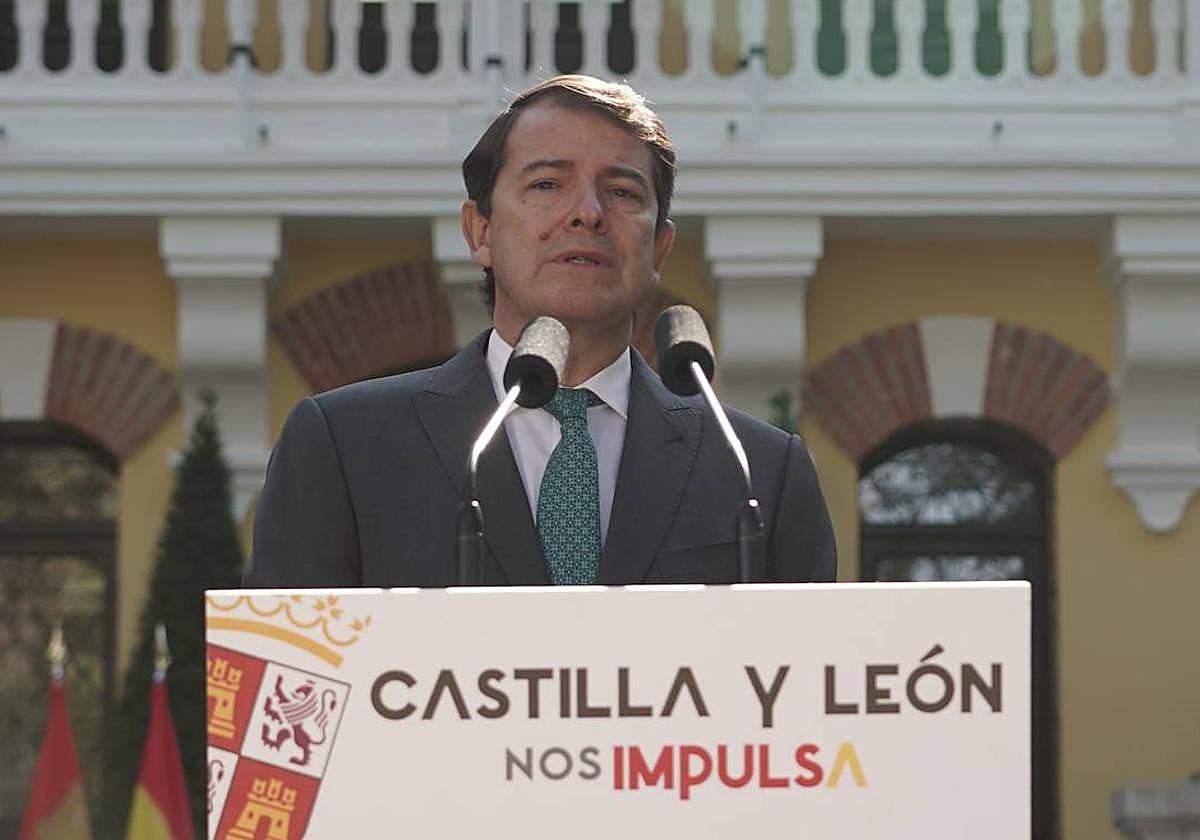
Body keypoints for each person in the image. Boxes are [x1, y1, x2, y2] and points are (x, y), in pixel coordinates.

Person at [245, 75, 835, 588]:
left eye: (623, 192)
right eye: (548, 184)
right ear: (480, 232)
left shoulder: (756, 468)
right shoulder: (345, 447)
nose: (588, 213)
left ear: (658, 249)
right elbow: (293, 692)